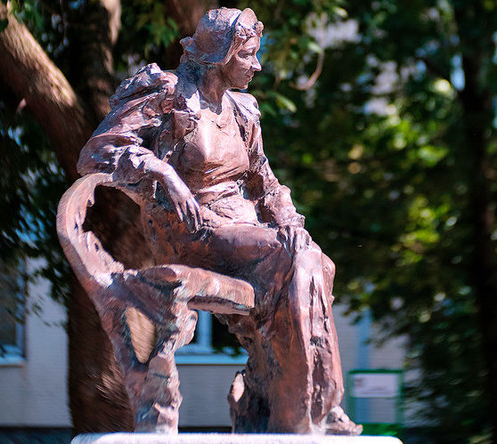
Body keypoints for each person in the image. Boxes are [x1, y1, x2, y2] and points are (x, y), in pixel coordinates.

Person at [78, 7, 361, 435]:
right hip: (190, 234)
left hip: (244, 233)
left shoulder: (244, 110)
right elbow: (96, 153)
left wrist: (289, 220)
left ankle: (309, 401)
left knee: (318, 262)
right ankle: (306, 406)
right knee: (294, 256)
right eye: (247, 55)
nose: (257, 65)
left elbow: (264, 182)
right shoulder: (170, 95)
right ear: (219, 56)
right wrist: (161, 171)